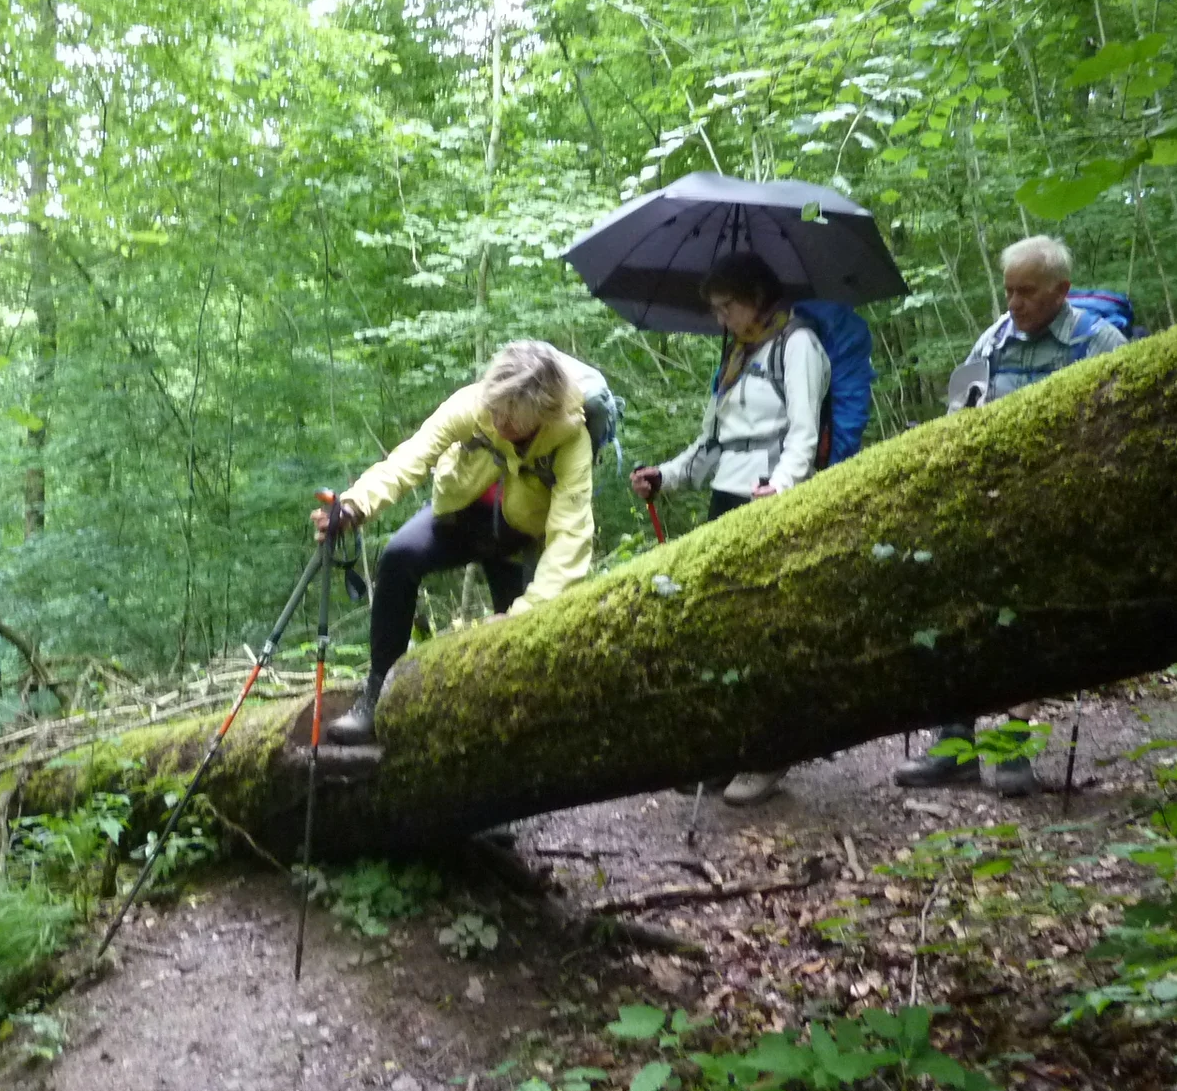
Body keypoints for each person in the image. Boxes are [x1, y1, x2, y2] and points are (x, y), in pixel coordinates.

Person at [894, 235, 1128, 797]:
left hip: (1054, 510)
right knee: (962, 621)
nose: (1015, 303)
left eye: (1027, 292)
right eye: (1009, 291)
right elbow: (957, 416)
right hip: (983, 508)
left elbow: (1119, 431)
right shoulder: (993, 340)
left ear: (1061, 291)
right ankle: (955, 747)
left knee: (1026, 628)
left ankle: (1013, 749)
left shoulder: (1099, 343)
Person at [316, 340, 596, 745]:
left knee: (519, 641)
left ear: (542, 413)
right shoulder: (476, 405)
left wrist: (524, 613)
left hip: (519, 536)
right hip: (460, 514)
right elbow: (412, 456)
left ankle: (509, 739)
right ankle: (376, 696)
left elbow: (571, 536)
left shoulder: (571, 440)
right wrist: (355, 506)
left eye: (511, 420)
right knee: (398, 558)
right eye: (495, 412)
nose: (498, 423)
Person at [629, 252, 830, 806]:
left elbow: (805, 434)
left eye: (727, 307)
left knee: (763, 631)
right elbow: (711, 445)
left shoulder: (799, 346)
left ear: (756, 298)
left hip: (770, 498)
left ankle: (768, 754)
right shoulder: (740, 356)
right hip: (727, 498)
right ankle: (724, 751)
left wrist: (784, 488)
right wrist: (664, 478)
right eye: (716, 309)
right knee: (719, 629)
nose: (720, 319)